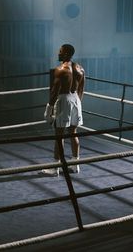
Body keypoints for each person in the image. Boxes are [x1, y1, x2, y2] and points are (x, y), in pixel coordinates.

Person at [43, 44, 85, 176]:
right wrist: (77, 103)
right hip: (76, 100)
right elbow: (81, 89)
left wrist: (49, 108)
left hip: (63, 100)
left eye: (60, 52)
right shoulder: (80, 69)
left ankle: (55, 168)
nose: (58, 54)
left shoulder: (60, 69)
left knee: (59, 135)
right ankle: (75, 165)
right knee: (73, 132)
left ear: (67, 53)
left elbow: (55, 92)